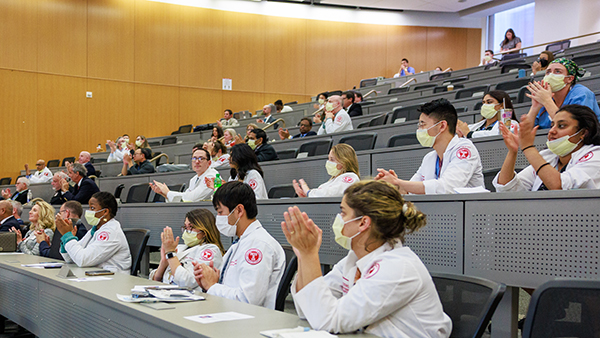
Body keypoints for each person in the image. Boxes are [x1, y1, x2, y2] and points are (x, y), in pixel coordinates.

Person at [283, 180, 452, 337]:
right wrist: (304, 257)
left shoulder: (398, 267)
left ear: (363, 223)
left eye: (343, 212)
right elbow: (308, 310)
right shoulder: (353, 259)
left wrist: (309, 255)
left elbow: (329, 320)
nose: (339, 219)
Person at [192, 182, 285, 309]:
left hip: (250, 320)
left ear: (239, 210)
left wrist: (213, 286)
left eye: (220, 212)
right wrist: (209, 280)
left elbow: (247, 300)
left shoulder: (259, 245)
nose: (218, 218)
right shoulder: (240, 243)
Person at [376, 98, 484, 194]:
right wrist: (396, 185)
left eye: (423, 125)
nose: (419, 130)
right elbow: (410, 191)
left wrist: (400, 183)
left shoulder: (465, 149)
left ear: (442, 126)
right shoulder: (429, 158)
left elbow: (448, 188)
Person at [494, 104, 600, 191]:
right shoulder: (548, 156)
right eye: (552, 125)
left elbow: (559, 186)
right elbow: (507, 188)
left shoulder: (595, 156)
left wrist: (528, 147)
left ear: (583, 132)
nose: (552, 131)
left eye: (561, 126)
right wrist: (513, 152)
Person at [56, 192, 131, 273]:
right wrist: (66, 239)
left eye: (92, 208)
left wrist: (68, 236)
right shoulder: (95, 230)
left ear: (105, 212)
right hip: (97, 275)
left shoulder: (111, 233)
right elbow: (71, 259)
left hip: (114, 280)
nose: (88, 211)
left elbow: (83, 260)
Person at [150, 209, 225, 288]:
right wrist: (164, 262)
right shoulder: (180, 248)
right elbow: (155, 279)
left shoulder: (210, 250)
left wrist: (170, 254)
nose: (187, 231)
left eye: (191, 227)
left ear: (204, 232)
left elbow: (187, 282)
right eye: (185, 227)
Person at [526, 58, 600, 129]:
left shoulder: (581, 93)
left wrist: (547, 101)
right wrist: (534, 107)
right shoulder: (545, 97)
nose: (551, 75)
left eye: (557, 71)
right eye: (548, 72)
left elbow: (572, 129)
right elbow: (525, 132)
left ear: (570, 78)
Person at [150, 148, 218, 202]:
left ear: (209, 163)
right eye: (194, 158)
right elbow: (184, 199)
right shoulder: (194, 179)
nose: (197, 162)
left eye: (201, 158)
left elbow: (192, 198)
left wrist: (168, 193)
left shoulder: (212, 176)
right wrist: (164, 194)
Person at [293, 144, 360, 198]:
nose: (328, 162)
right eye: (328, 158)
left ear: (344, 162)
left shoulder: (351, 177)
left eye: (332, 159)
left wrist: (308, 192)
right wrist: (306, 197)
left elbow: (331, 194)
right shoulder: (331, 181)